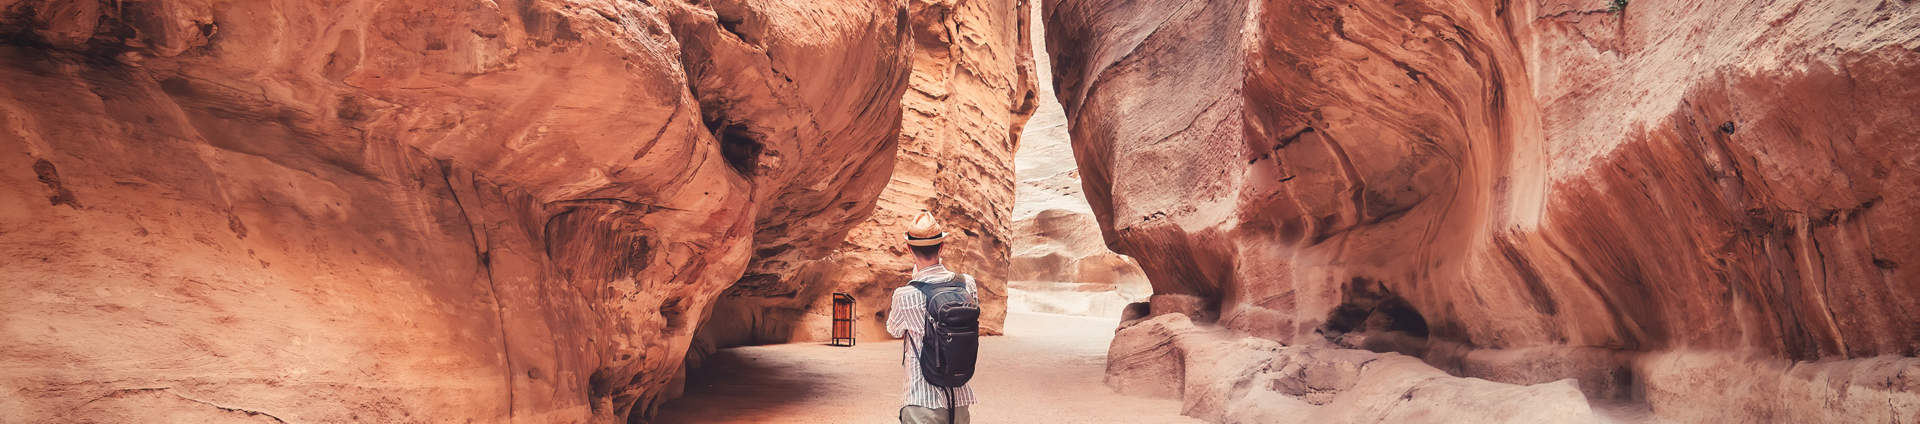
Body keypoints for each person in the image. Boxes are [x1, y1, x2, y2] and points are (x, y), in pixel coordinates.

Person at [887, 212, 979, 424]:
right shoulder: (967, 284)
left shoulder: (905, 295)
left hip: (921, 399)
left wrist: (915, 280)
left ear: (909, 249)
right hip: (959, 397)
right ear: (941, 247)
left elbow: (893, 329)